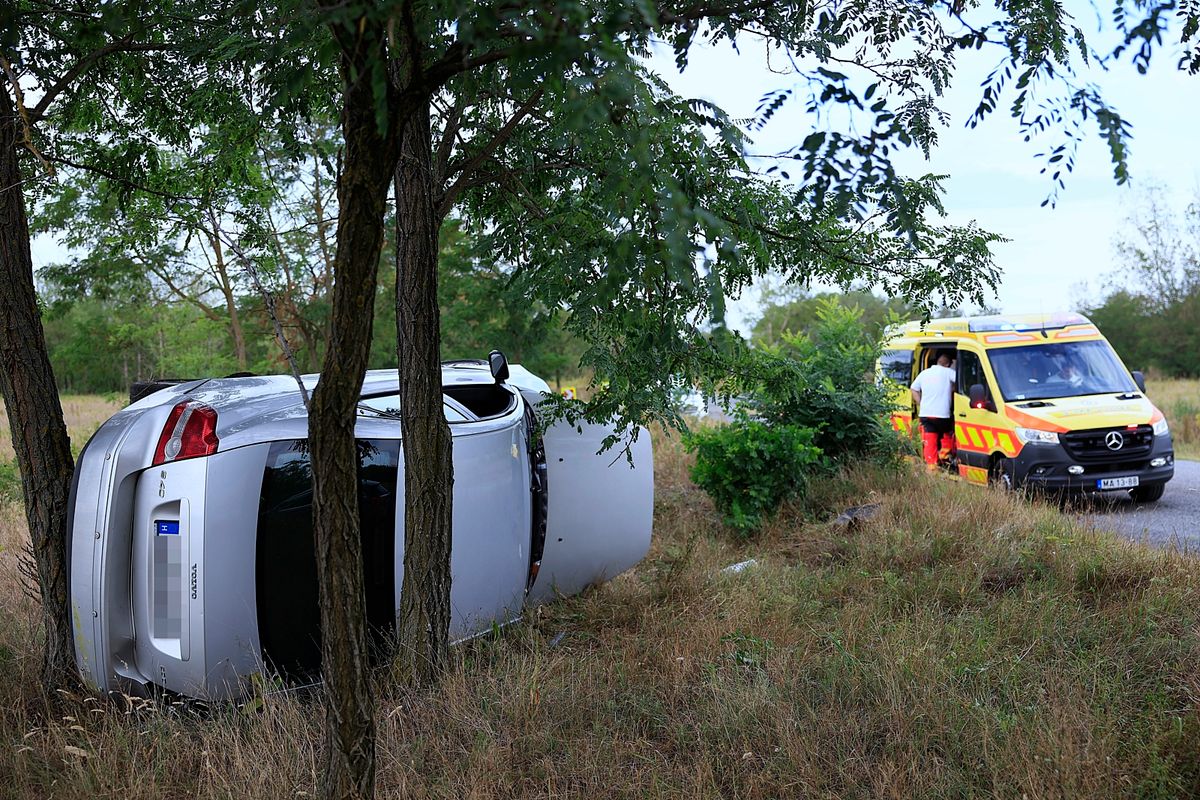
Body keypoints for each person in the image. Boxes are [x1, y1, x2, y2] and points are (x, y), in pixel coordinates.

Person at [910, 350, 957, 468]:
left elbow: (914, 389)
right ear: (948, 364)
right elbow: (962, 383)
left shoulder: (924, 373)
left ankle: (932, 467)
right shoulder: (948, 372)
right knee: (948, 434)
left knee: (930, 441)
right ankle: (944, 457)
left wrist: (920, 403)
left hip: (926, 414)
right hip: (943, 415)